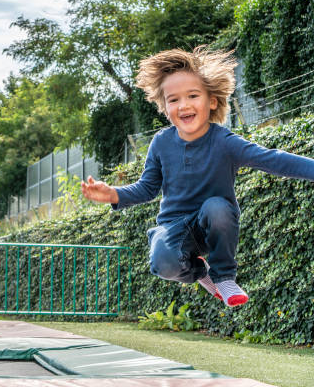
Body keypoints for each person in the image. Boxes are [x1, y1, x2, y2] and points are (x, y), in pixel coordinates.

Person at [81, 46, 314, 308]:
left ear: (211, 101)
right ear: (164, 107)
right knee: (162, 263)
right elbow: (148, 188)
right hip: (175, 227)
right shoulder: (161, 143)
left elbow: (273, 159)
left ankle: (224, 277)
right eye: (174, 99)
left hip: (213, 223)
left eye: (193, 95)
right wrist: (114, 194)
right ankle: (200, 272)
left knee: (216, 207)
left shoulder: (225, 142)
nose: (184, 105)